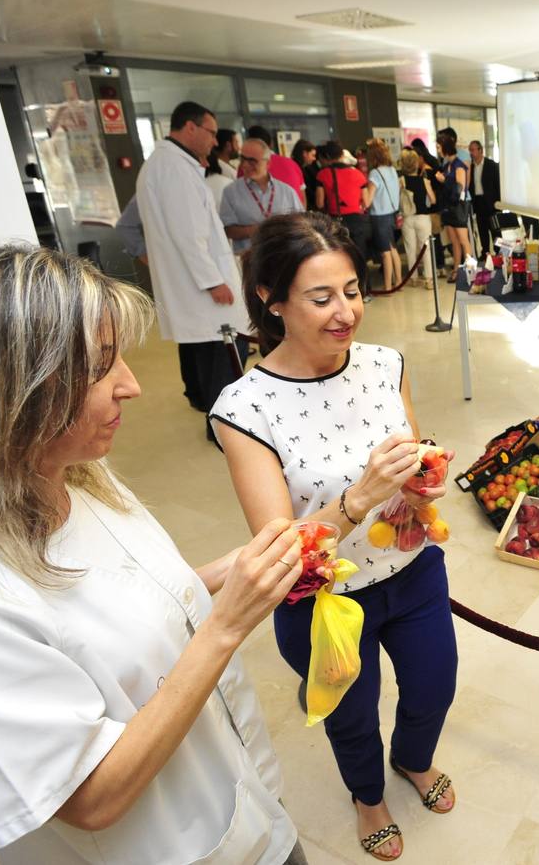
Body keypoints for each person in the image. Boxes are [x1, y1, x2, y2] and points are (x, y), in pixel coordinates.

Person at [0, 242, 309, 864]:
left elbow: (139, 596)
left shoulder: (78, 478)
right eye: (101, 366)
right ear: (7, 395)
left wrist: (234, 572)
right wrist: (227, 626)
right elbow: (91, 799)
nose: (130, 385)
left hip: (243, 803)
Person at [210, 213, 458, 861]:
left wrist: (420, 478)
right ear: (272, 300)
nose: (345, 311)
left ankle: (413, 759)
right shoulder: (244, 409)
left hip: (412, 567)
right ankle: (367, 797)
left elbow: (412, 447)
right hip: (320, 599)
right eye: (321, 298)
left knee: (434, 684)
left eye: (351, 290)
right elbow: (278, 545)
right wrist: (363, 494)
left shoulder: (384, 363)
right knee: (351, 713)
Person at [135, 100, 251, 425]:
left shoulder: (169, 164)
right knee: (223, 349)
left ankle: (205, 405)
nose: (215, 141)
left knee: (202, 349)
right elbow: (189, 234)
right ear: (190, 127)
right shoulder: (173, 168)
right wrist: (213, 281)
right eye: (211, 133)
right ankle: (224, 426)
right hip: (202, 284)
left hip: (189, 284)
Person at [220, 138, 306, 253]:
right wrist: (255, 230)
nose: (244, 165)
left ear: (268, 163)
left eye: (252, 161)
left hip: (284, 256)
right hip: (249, 260)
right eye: (243, 159)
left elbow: (302, 222)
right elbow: (227, 230)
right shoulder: (230, 192)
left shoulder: (286, 191)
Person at [313, 141, 373, 279]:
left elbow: (320, 202)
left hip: (336, 220)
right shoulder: (358, 174)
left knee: (340, 256)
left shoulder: (322, 175)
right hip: (357, 220)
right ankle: (365, 289)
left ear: (326, 156)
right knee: (359, 255)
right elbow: (366, 202)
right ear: (342, 154)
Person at [432, 128, 472, 280]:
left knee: (463, 240)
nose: (437, 150)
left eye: (438, 146)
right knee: (454, 241)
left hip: (458, 207)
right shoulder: (446, 164)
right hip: (448, 207)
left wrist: (445, 180)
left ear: (445, 146)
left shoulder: (458, 164)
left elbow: (461, 186)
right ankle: (456, 270)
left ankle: (470, 271)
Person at [367, 138, 403, 293]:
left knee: (385, 253)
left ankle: (388, 286)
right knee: (393, 249)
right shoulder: (392, 170)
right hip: (391, 214)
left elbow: (368, 200)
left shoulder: (375, 173)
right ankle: (399, 282)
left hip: (379, 216)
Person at [398, 148, 435, 287]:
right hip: (423, 218)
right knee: (426, 249)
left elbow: (398, 200)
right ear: (415, 164)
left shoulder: (401, 180)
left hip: (407, 218)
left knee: (410, 249)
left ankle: (413, 278)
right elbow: (433, 200)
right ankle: (429, 279)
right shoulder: (424, 181)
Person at [467, 140, 505, 258]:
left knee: (495, 229)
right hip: (478, 202)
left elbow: (498, 185)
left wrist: (499, 203)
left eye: (473, 150)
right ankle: (485, 252)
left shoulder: (491, 165)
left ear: (480, 150)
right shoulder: (470, 167)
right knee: (482, 228)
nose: (471, 153)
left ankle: (499, 252)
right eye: (470, 150)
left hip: (491, 202)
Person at [247, 125, 306, 199]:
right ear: (271, 144)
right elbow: (302, 198)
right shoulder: (292, 164)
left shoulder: (246, 167)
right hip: (296, 209)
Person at [292, 139, 320, 210]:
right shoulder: (296, 168)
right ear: (304, 153)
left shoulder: (307, 168)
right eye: (312, 155)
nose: (314, 158)